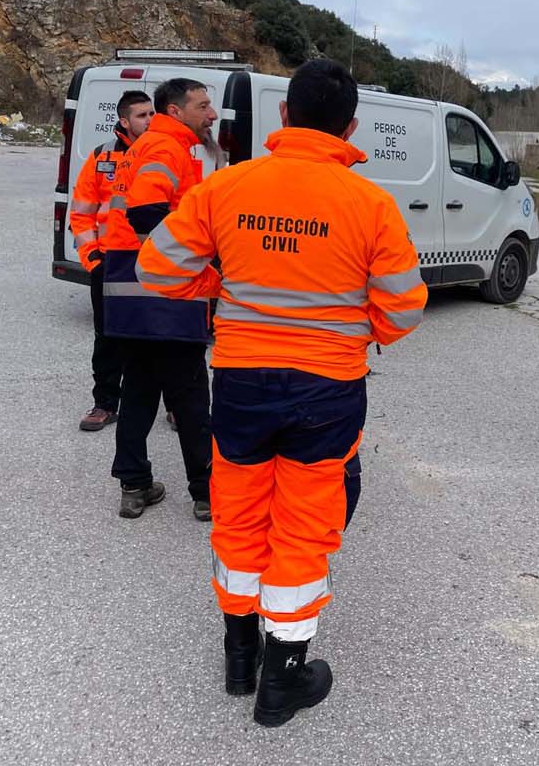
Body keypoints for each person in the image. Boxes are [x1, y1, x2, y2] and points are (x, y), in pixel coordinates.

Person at [137, 58, 426, 727]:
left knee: (238, 519)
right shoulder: (370, 203)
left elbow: (157, 267)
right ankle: (282, 679)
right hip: (326, 386)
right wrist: (361, 328)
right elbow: (404, 308)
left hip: (240, 378)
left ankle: (239, 655)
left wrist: (222, 292)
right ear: (350, 127)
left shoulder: (227, 186)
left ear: (284, 116)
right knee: (303, 530)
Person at [102, 78, 217, 521]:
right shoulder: (166, 149)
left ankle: (134, 485)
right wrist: (199, 264)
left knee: (139, 391)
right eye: (203, 106)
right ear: (176, 111)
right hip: (163, 289)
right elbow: (147, 215)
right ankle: (206, 493)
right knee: (188, 396)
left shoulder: (147, 147)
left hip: (130, 290)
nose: (211, 114)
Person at [69, 90, 154, 432]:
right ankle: (105, 404)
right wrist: (93, 261)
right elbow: (81, 213)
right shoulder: (101, 157)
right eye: (142, 115)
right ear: (124, 121)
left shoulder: (163, 156)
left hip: (153, 265)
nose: (149, 120)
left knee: (158, 337)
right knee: (107, 339)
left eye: (152, 114)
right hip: (109, 264)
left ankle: (172, 405)